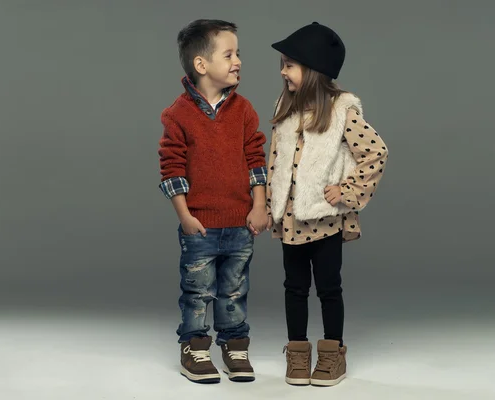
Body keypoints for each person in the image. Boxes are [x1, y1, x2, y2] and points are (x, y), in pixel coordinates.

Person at [265, 22, 389, 387]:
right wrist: (268, 202)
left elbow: (375, 153)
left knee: (329, 288)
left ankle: (333, 354)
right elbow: (275, 160)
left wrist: (347, 192)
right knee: (294, 287)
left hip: (324, 219)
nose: (282, 71)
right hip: (291, 218)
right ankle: (298, 353)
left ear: (313, 68)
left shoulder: (341, 111)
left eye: (289, 64)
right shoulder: (284, 108)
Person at [157, 19, 268, 384]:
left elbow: (255, 158)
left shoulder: (244, 110)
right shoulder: (178, 114)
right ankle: (194, 345)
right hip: (200, 225)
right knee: (198, 291)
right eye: (229, 54)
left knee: (234, 289)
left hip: (240, 224)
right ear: (201, 65)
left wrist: (259, 204)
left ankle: (234, 343)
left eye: (238, 54)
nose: (238, 61)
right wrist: (185, 216)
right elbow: (171, 167)